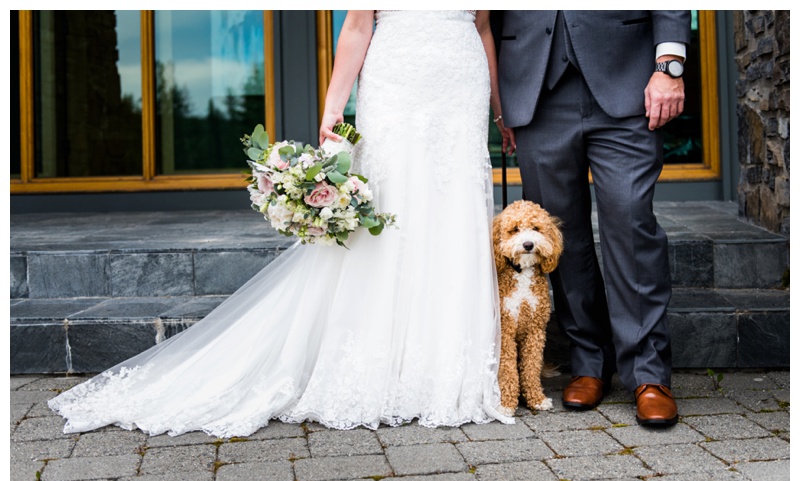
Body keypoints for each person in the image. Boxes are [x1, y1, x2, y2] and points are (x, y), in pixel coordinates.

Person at [48, 10, 515, 437]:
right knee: (392, 207)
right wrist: (335, 104)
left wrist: (500, 108)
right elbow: (356, 26)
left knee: (452, 207)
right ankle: (380, 359)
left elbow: (483, 28)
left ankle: (445, 365)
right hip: (397, 79)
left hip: (461, 86)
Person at [495, 11, 691, 426]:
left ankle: (649, 373)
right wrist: (500, 101)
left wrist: (669, 67)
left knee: (632, 223)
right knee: (558, 238)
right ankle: (589, 362)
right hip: (535, 89)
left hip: (629, 82)